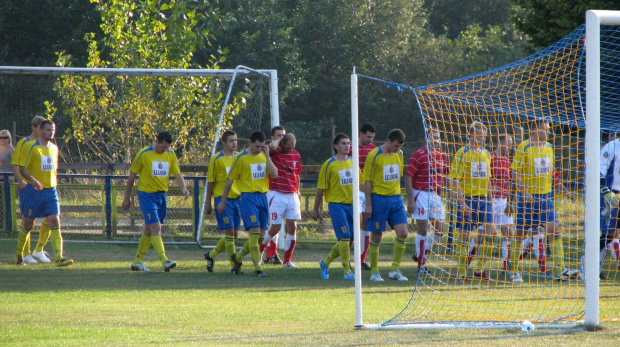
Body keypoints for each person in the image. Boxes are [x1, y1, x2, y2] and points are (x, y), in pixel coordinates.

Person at [511, 118, 576, 281]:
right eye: (544, 129)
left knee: (555, 230)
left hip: (546, 196)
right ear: (535, 130)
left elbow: (552, 174)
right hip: (527, 199)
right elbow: (515, 172)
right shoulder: (523, 147)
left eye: (548, 129)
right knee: (519, 234)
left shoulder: (549, 148)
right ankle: (513, 270)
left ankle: (562, 270)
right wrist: (523, 191)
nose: (547, 132)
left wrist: (566, 191)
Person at [123, 131, 189, 272]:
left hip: (162, 196)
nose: (164, 150)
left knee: (148, 229)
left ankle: (137, 262)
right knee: (156, 227)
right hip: (147, 195)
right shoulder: (144, 154)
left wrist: (183, 188)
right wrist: (126, 197)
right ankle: (165, 260)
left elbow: (177, 174)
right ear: (157, 141)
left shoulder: (170, 155)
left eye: (167, 147)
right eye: (162, 147)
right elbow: (131, 177)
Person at [218, 131, 277, 277]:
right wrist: (223, 201)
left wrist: (268, 156)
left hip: (263, 197)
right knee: (254, 232)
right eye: (257, 146)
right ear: (250, 142)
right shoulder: (241, 158)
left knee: (260, 236)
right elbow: (229, 181)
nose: (259, 149)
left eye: (262, 147)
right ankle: (258, 268)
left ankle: (238, 258)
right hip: (248, 198)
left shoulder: (264, 157)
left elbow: (275, 174)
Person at [15, 120, 73, 267]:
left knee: (54, 221)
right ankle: (19, 254)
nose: (51, 132)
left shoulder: (54, 148)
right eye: (48, 130)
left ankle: (59, 257)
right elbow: (22, 168)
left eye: (52, 130)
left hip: (50, 190)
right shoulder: (31, 146)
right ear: (40, 130)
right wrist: (32, 181)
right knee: (28, 224)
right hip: (33, 191)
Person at [449, 121, 496, 281]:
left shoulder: (486, 154)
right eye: (480, 135)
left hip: (484, 200)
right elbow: (454, 180)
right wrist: (462, 202)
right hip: (467, 199)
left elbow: (488, 179)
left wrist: (491, 201)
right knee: (464, 236)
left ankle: (479, 268)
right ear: (472, 135)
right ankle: (462, 272)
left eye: (484, 136)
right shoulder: (462, 153)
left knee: (492, 232)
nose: (483, 138)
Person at [312, 134, 362, 280]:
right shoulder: (329, 164)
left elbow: (362, 184)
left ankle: (325, 262)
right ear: (336, 146)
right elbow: (320, 189)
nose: (347, 146)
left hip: (352, 205)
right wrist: (316, 209)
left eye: (349, 143)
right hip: (336, 205)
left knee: (350, 240)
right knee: (345, 237)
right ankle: (347, 270)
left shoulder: (354, 162)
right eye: (343, 143)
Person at [363, 129, 409, 282]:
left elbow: (398, 176)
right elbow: (367, 181)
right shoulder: (374, 155)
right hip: (379, 199)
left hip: (396, 199)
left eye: (400, 146)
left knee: (403, 233)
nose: (398, 149)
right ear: (388, 141)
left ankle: (394, 269)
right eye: (396, 146)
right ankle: (375, 272)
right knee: (377, 236)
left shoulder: (400, 155)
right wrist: (369, 204)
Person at [405, 126, 452, 273]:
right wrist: (411, 200)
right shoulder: (418, 154)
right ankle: (421, 265)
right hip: (421, 193)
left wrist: (450, 194)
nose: (436, 140)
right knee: (423, 228)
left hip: (435, 195)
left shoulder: (443, 156)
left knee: (440, 230)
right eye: (433, 137)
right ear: (427, 138)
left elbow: (446, 176)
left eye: (438, 137)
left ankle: (421, 252)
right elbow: (408, 176)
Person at [11, 116, 53, 264]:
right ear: (34, 127)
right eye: (40, 127)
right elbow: (16, 163)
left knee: (50, 218)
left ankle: (39, 250)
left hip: (46, 188)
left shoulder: (46, 145)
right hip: (29, 187)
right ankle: (25, 253)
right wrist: (22, 182)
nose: (43, 130)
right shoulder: (25, 142)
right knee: (28, 220)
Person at [260, 132, 303, 268]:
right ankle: (260, 249)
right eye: (288, 146)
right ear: (282, 143)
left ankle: (287, 261)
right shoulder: (275, 153)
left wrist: (298, 191)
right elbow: (269, 147)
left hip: (292, 195)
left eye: (292, 147)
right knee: (276, 227)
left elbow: (297, 174)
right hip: (276, 194)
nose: (290, 149)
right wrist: (279, 139)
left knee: (292, 226)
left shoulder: (296, 155)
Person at [204, 130, 241, 273]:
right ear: (224, 143)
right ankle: (234, 265)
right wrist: (208, 202)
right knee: (230, 232)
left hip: (237, 199)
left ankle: (210, 255)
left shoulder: (239, 157)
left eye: (236, 140)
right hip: (222, 199)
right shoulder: (217, 159)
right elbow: (211, 182)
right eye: (231, 141)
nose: (234, 143)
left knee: (234, 235)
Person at [349, 123, 376, 271]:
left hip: (368, 192)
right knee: (354, 225)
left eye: (372, 137)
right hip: (354, 192)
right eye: (368, 136)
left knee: (365, 224)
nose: (370, 140)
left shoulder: (373, 150)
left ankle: (361, 260)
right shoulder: (350, 148)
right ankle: (347, 259)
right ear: (360, 133)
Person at [490, 134, 518, 276]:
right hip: (491, 201)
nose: (510, 147)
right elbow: (485, 180)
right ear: (499, 142)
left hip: (504, 202)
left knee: (509, 233)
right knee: (488, 235)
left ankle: (506, 267)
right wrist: (491, 188)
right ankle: (469, 265)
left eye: (511, 144)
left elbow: (512, 184)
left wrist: (510, 203)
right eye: (507, 144)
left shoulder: (509, 161)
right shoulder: (489, 158)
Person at [599, 124, 620, 278]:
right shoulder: (612, 147)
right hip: (612, 195)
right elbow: (600, 169)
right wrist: (605, 192)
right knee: (609, 233)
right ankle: (591, 267)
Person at [263, 126, 286, 264]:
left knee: (277, 224)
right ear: (272, 137)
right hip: (270, 190)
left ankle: (272, 254)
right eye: (279, 135)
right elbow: (271, 147)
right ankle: (269, 253)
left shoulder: (288, 152)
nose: (282, 138)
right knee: (273, 224)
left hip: (284, 192)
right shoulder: (270, 150)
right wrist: (279, 141)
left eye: (284, 135)